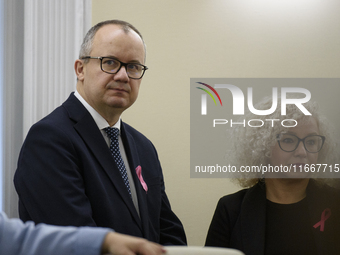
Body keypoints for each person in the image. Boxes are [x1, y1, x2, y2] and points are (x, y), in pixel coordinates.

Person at [14, 19, 186, 245]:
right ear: (80, 69)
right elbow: (78, 242)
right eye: (110, 62)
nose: (123, 76)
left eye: (133, 66)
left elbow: (168, 233)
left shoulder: (144, 147)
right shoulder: (49, 140)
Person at [205, 95, 340, 254]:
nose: (302, 152)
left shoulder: (335, 203)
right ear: (264, 146)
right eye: (289, 140)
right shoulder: (231, 211)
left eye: (311, 142)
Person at [0, 211, 165, 255]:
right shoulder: (49, 134)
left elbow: (166, 223)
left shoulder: (143, 145)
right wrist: (104, 241)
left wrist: (107, 240)